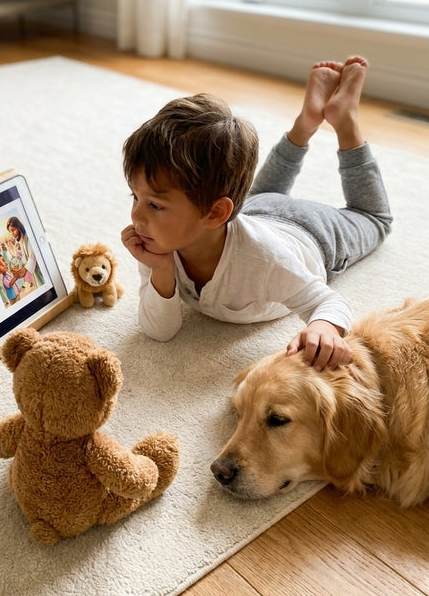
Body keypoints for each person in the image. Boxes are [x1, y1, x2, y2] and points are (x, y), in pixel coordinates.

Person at [120, 56, 393, 371]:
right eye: (135, 196)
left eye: (154, 204)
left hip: (312, 232)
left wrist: (324, 328)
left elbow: (327, 302)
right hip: (253, 209)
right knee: (256, 193)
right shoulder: (158, 240)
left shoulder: (266, 260)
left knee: (374, 219)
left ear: (214, 214)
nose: (136, 216)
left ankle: (345, 120)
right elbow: (159, 331)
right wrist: (161, 270)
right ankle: (304, 124)